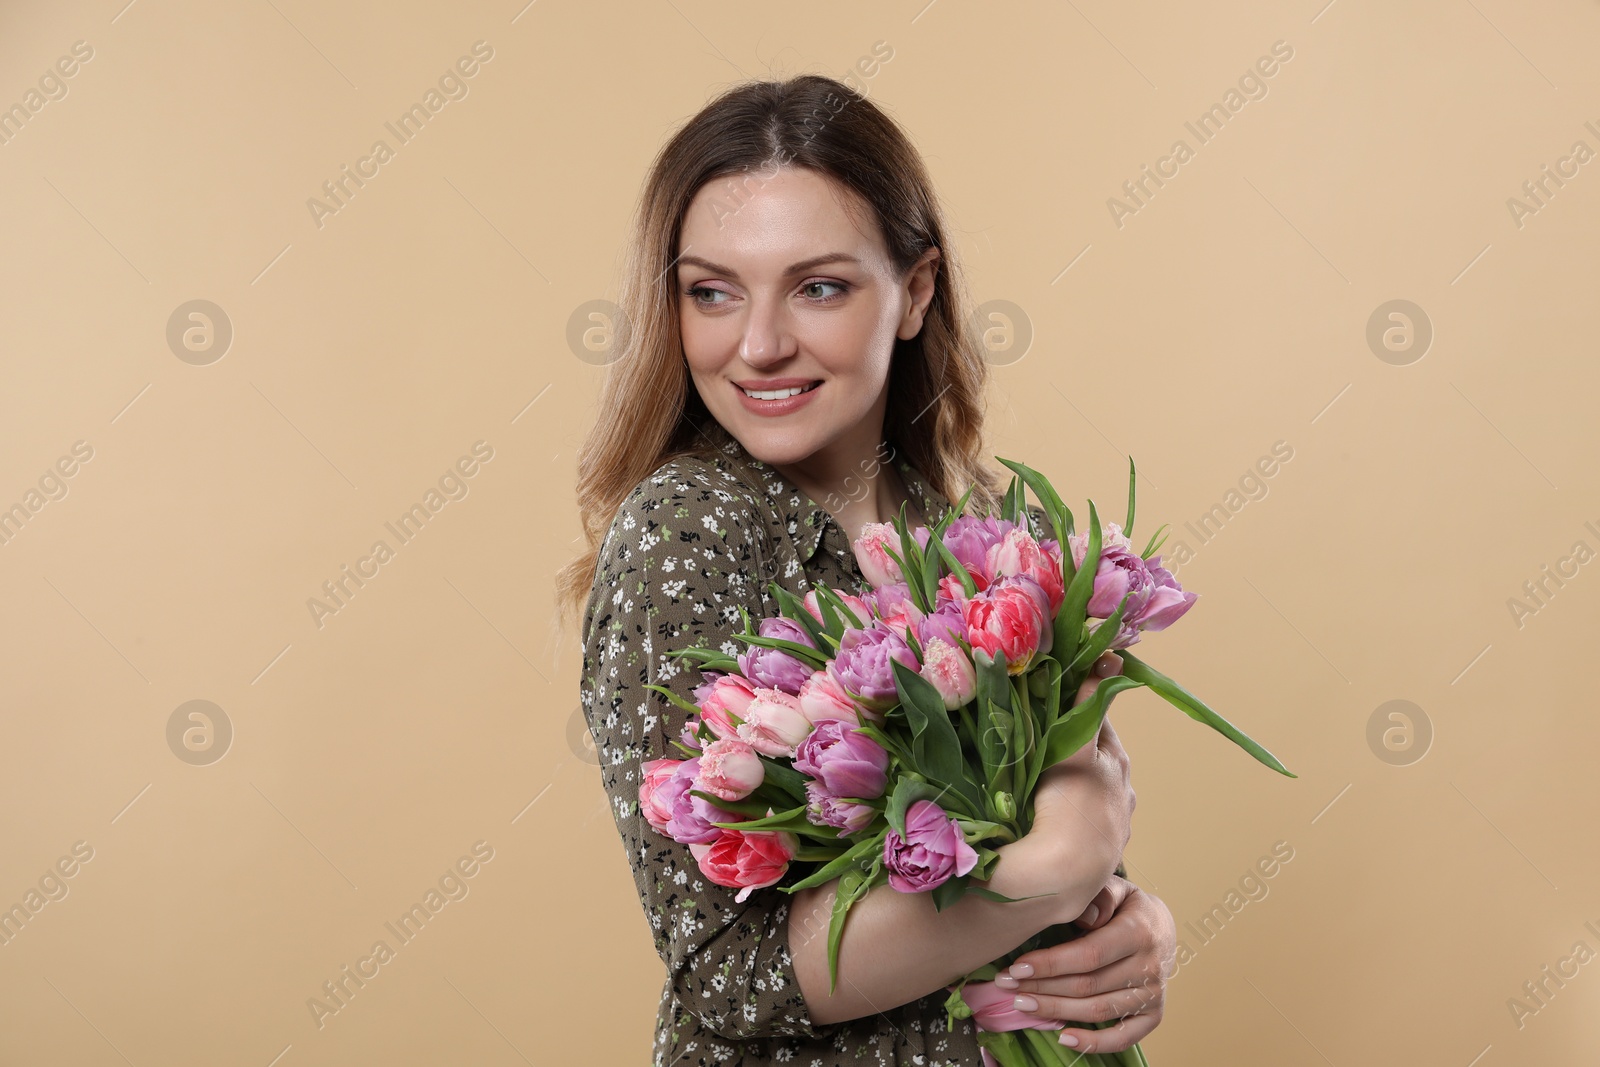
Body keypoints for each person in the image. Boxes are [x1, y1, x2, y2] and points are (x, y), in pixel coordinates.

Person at [555, 73, 1176, 1066]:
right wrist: (1061, 864)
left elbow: (1030, 840)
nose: (757, 344)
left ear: (914, 291)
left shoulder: (973, 528)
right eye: (711, 290)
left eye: (819, 286)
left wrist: (1128, 928)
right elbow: (730, 973)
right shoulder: (689, 531)